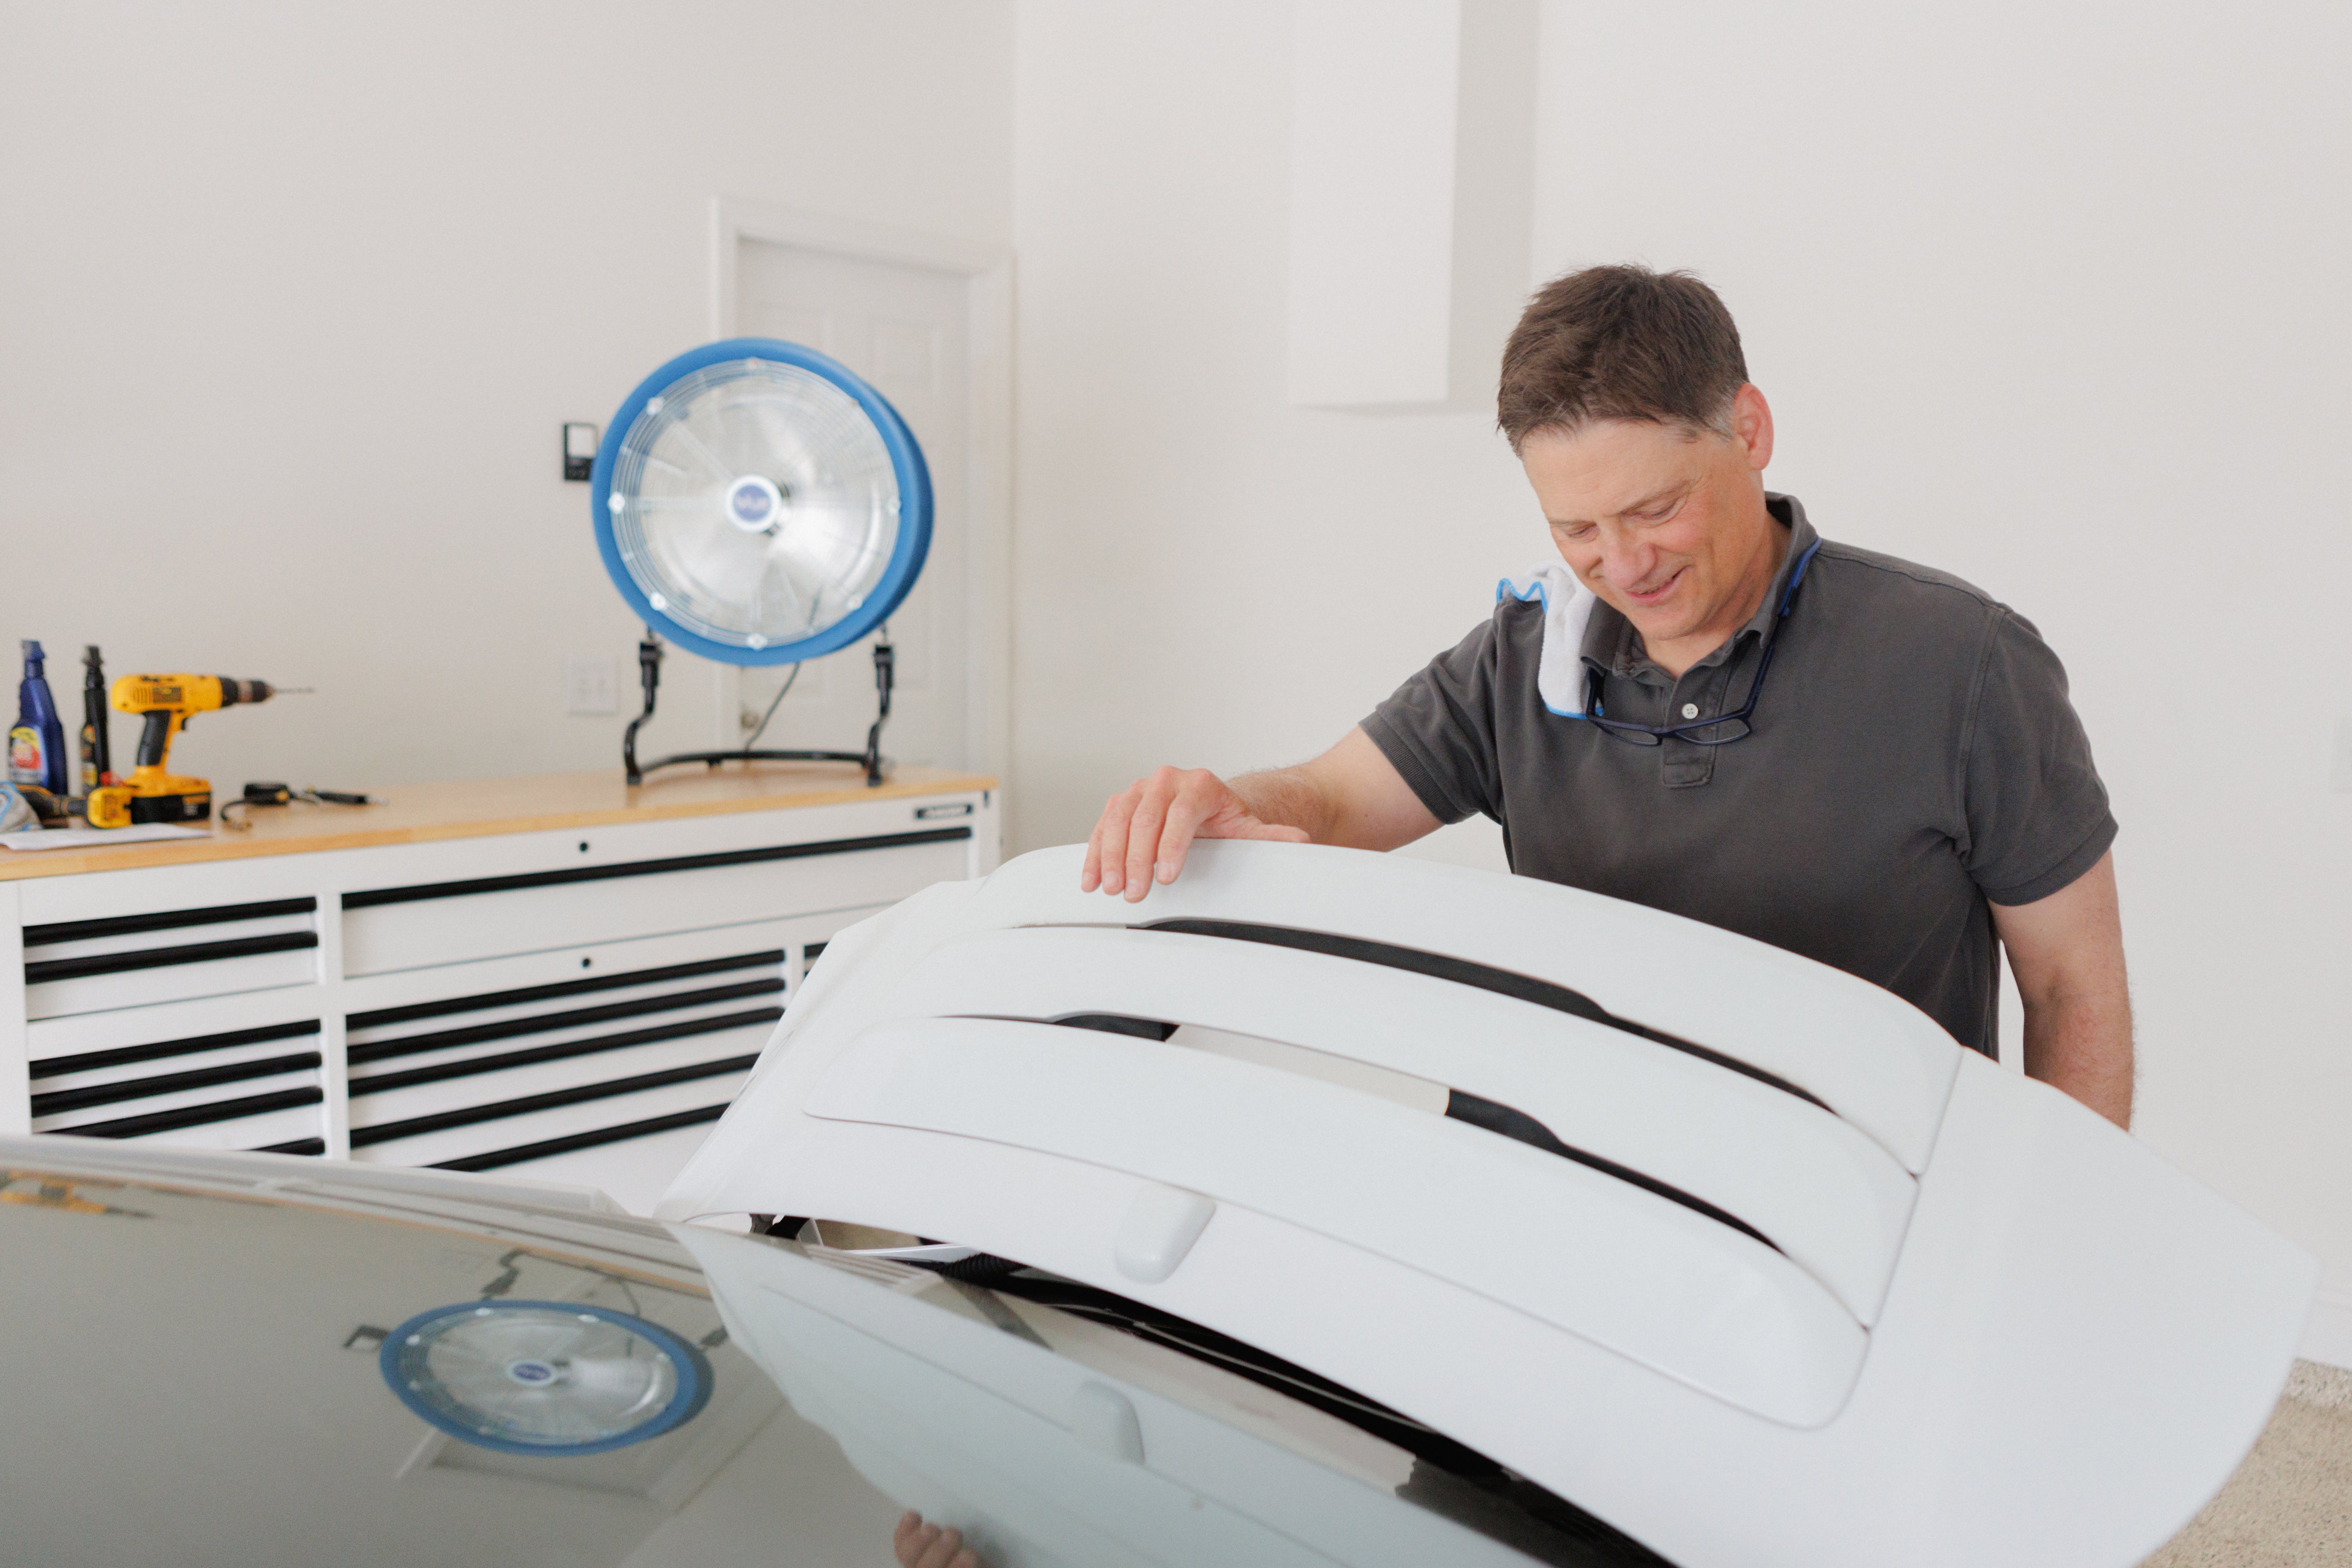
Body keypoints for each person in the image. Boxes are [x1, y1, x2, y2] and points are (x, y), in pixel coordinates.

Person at [1081, 265, 2132, 1126]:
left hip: (1845, 1238)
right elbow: (1328, 799)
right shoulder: (1521, 657)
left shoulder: (1962, 662)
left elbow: (2071, 988)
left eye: (1656, 508)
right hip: (1566, 1217)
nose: (1623, 565)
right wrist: (1225, 802)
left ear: (1750, 430)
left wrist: (2038, 1248)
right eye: (1575, 530)